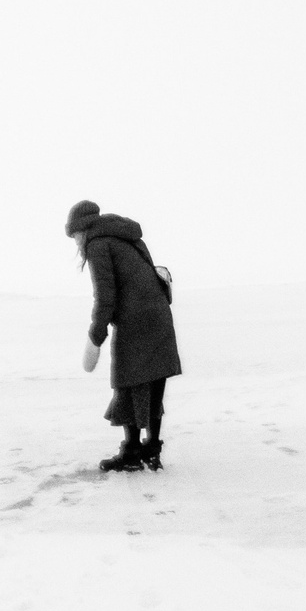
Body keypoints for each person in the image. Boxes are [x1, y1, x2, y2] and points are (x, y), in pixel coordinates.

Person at [67, 200, 181, 471]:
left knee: (126, 382)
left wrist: (95, 337)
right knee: (153, 385)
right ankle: (151, 451)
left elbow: (105, 297)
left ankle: (131, 454)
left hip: (135, 322)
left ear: (82, 230)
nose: (75, 243)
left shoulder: (98, 245)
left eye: (74, 236)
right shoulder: (126, 235)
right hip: (159, 317)